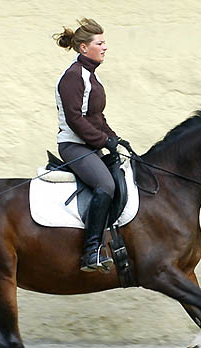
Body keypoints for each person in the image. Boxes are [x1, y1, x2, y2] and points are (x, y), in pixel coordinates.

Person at [53, 18, 131, 273]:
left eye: (104, 42)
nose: (105, 47)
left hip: (90, 146)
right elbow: (76, 120)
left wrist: (114, 139)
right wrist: (103, 141)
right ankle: (91, 251)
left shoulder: (91, 77)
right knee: (105, 184)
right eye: (100, 43)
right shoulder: (73, 77)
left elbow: (97, 118)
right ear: (84, 48)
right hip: (74, 146)